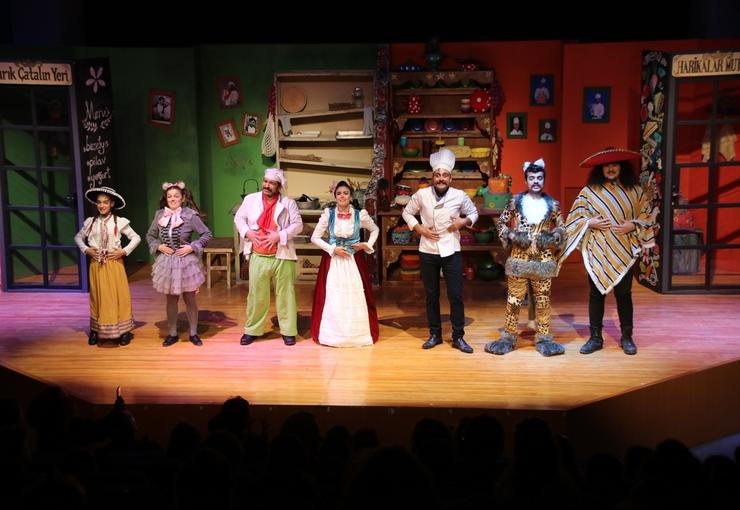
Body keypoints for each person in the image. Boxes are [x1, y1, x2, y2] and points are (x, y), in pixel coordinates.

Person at [560, 148, 655, 355]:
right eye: (606, 165)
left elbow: (646, 216)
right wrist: (589, 222)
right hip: (598, 251)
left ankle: (627, 337)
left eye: (614, 164)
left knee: (624, 295)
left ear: (622, 167)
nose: (610, 168)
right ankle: (595, 338)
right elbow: (574, 218)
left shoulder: (635, 191)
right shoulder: (589, 192)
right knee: (596, 295)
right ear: (600, 168)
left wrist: (633, 224)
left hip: (624, 251)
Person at [485, 159, 567, 357]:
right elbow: (501, 223)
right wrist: (513, 235)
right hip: (519, 259)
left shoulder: (553, 205)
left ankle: (544, 338)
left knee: (543, 301)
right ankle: (508, 337)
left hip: (543, 260)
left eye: (539, 178)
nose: (535, 181)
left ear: (544, 180)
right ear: (526, 180)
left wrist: (554, 235)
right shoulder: (516, 201)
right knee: (513, 300)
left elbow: (562, 228)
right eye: (532, 178)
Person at [402, 148, 478, 353]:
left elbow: (473, 213)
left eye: (445, 175)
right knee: (431, 294)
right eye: (437, 175)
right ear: (433, 177)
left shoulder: (459, 195)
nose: (441, 178)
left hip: (451, 249)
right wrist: (419, 228)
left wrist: (463, 222)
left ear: (450, 178)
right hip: (428, 250)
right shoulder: (422, 194)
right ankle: (434, 334)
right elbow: (407, 212)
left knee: (456, 295)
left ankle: (458, 336)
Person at [234, 168, 303, 346]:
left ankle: (288, 331)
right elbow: (239, 219)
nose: (267, 185)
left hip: (282, 256)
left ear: (278, 186)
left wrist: (279, 235)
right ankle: (252, 330)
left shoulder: (288, 203)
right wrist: (247, 232)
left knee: (286, 295)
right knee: (256, 296)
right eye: (265, 181)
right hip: (258, 254)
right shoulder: (251, 199)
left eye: (271, 183)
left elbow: (298, 225)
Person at [310, 180, 379, 347]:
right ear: (335, 196)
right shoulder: (328, 214)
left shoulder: (360, 215)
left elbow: (375, 230)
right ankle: (332, 334)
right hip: (334, 261)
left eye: (346, 193)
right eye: (339, 193)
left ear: (351, 196)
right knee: (333, 295)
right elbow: (315, 237)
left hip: (353, 260)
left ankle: (356, 334)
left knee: (355, 294)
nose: (342, 196)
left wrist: (366, 245)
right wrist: (332, 249)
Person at [146, 181, 212, 347]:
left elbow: (206, 233)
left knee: (189, 298)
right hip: (167, 262)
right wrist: (158, 246)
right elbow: (150, 236)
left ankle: (193, 333)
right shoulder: (160, 215)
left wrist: (192, 246)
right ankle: (173, 333)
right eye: (169, 196)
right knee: (171, 299)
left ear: (182, 198)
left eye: (176, 196)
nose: (172, 199)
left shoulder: (190, 215)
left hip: (185, 262)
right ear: (166, 198)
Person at [74, 187, 141, 346]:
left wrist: (123, 251)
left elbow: (136, 238)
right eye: (99, 202)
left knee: (118, 296)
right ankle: (95, 329)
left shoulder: (119, 221)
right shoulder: (91, 222)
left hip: (114, 264)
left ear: (112, 203)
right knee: (97, 297)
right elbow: (78, 237)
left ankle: (123, 331)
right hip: (96, 265)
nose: (102, 205)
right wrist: (87, 249)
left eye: (105, 202)